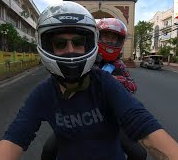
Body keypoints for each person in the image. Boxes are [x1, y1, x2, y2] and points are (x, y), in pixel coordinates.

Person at [0, 1, 178, 160]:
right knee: (48, 150)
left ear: (89, 44)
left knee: (138, 153)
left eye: (78, 42)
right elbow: (15, 137)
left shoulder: (105, 83)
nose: (70, 50)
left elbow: (144, 126)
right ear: (47, 47)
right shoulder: (43, 94)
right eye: (60, 43)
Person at [41, 18, 142, 160]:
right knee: (48, 150)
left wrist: (113, 80)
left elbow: (132, 86)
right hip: (80, 116)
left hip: (112, 119)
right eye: (106, 36)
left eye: (114, 38)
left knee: (139, 154)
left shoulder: (119, 65)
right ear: (97, 37)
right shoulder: (85, 59)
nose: (110, 41)